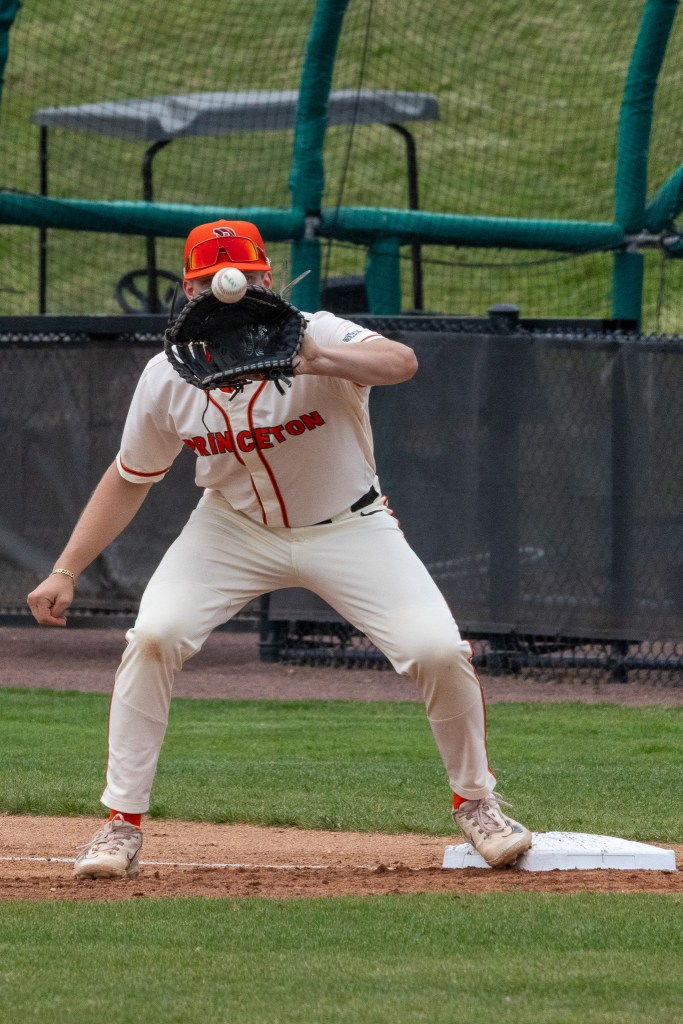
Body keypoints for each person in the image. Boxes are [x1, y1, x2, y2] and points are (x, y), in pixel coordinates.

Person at [27, 219, 532, 878]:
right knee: (154, 635)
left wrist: (315, 359)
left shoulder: (315, 332)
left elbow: (400, 363)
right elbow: (129, 477)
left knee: (436, 649)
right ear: (188, 289)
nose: (225, 289)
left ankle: (478, 805)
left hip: (349, 526)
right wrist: (66, 568)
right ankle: (120, 825)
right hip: (229, 529)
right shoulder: (170, 373)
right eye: (208, 280)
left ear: (268, 279)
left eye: (239, 275)